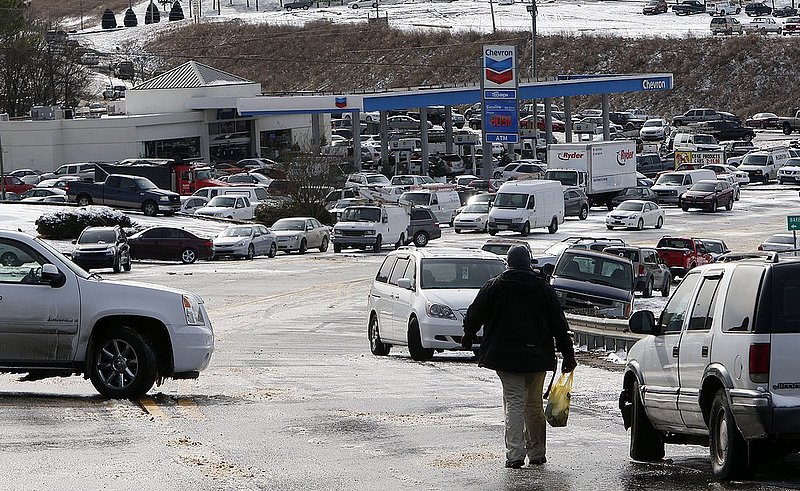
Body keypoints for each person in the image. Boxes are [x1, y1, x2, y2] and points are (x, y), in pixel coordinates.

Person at [462, 245, 577, 469]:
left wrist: (468, 333)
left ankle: (515, 455)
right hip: (537, 356)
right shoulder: (543, 288)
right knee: (533, 405)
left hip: (505, 357)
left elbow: (476, 313)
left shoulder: (495, 286)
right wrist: (568, 354)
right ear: (529, 262)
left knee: (514, 403)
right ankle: (537, 453)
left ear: (509, 263)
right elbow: (558, 325)